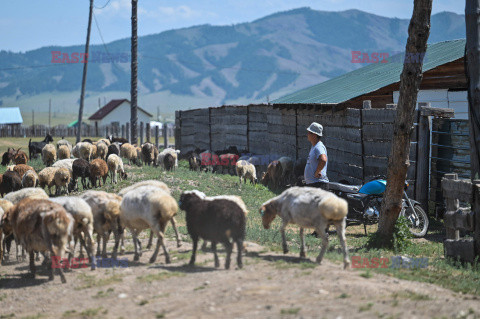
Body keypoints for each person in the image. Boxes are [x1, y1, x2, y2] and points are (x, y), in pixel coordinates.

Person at [304, 122, 329, 190]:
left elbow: (323, 159)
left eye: (309, 133)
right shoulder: (314, 147)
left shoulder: (319, 147)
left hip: (318, 184)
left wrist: (317, 171)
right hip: (314, 184)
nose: (307, 135)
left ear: (314, 135)